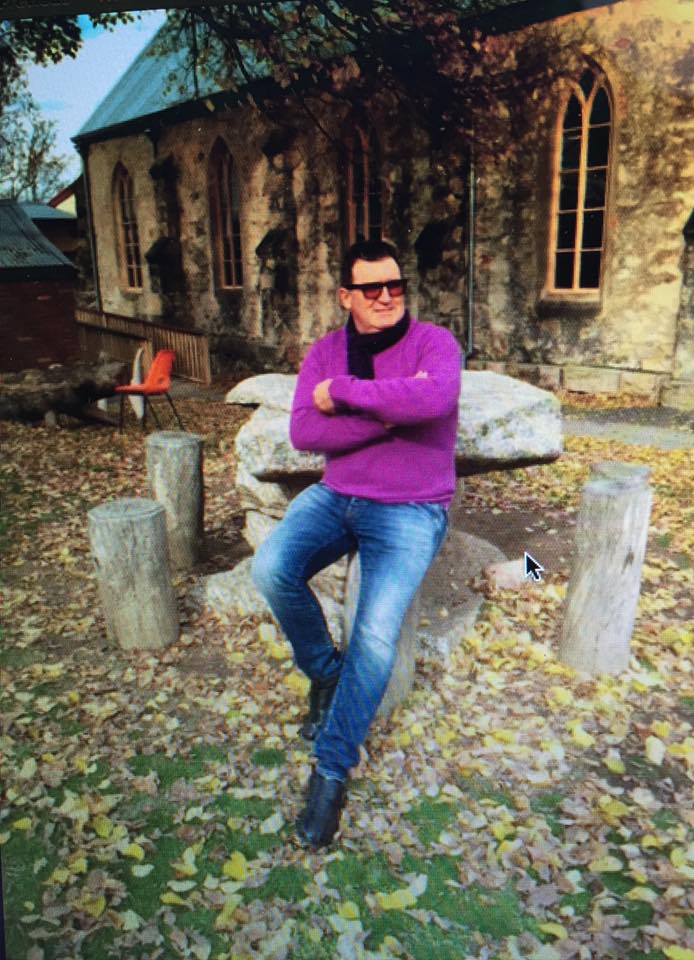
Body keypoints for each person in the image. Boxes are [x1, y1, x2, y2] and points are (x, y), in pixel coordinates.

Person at [252, 238, 462, 847]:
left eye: (396, 285)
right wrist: (390, 414)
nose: (387, 297)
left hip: (411, 508)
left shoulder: (434, 344)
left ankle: (332, 770)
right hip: (337, 494)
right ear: (346, 296)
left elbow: (434, 398)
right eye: (372, 289)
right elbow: (303, 431)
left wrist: (344, 393)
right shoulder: (325, 351)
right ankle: (325, 672)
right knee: (271, 568)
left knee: (372, 635)